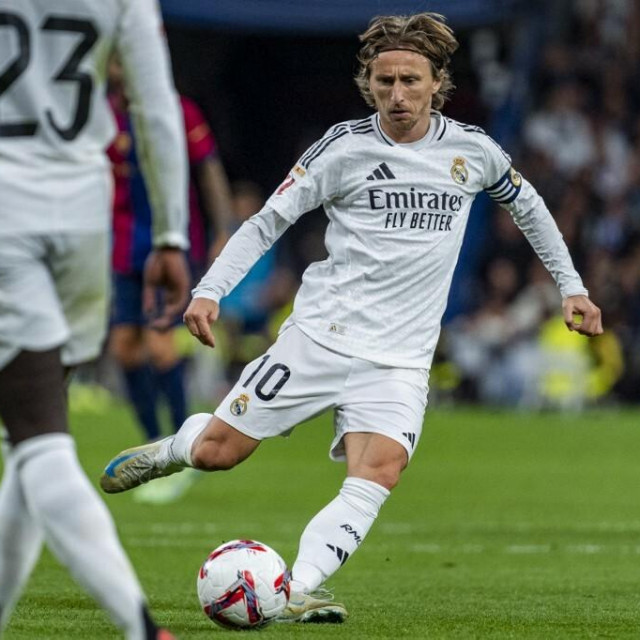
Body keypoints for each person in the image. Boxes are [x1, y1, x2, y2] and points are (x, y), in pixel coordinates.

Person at [100, 12, 603, 623]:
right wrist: (211, 291)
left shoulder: (473, 151)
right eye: (385, 81)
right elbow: (266, 221)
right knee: (218, 455)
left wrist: (571, 287)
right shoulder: (343, 148)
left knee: (380, 470)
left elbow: (531, 208)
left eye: (411, 81)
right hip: (319, 338)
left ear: (437, 83)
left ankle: (292, 591)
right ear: (369, 82)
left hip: (399, 358)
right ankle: (177, 448)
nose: (397, 94)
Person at [0, 0, 190, 637]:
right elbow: (156, 103)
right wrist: (171, 235)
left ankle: (139, 625)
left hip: (6, 210)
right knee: (29, 436)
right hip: (83, 216)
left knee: (38, 435)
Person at [107, 58, 233, 445]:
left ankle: (181, 442)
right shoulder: (102, 115)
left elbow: (208, 169)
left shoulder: (178, 110)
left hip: (171, 243)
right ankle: (151, 441)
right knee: (125, 348)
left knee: (161, 344)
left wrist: (225, 228)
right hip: (123, 246)